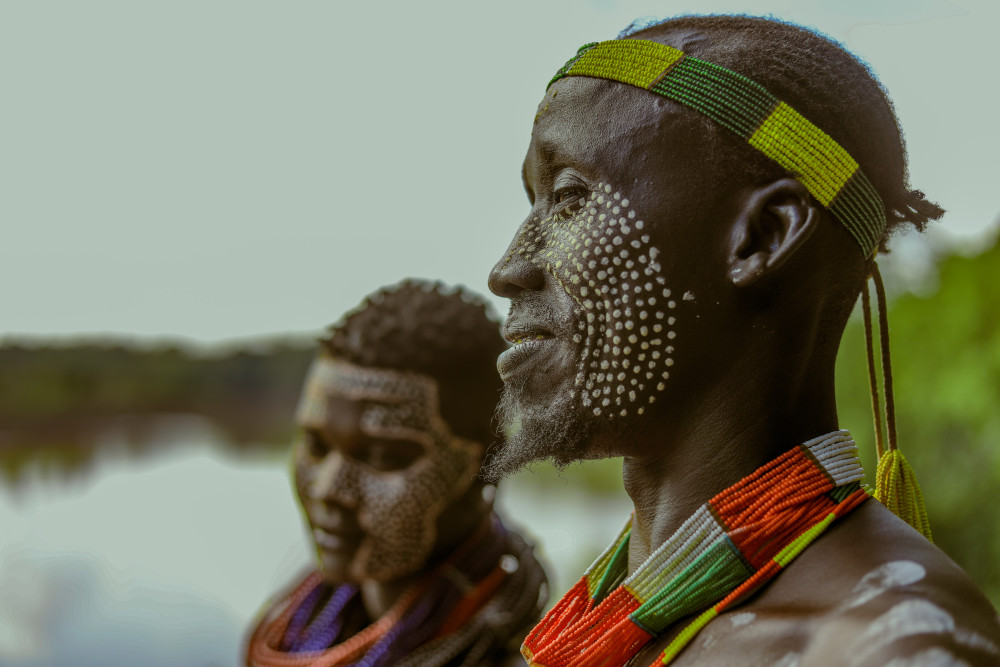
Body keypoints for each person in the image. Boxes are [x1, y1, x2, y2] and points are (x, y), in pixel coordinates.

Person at [484, 15, 1000, 667]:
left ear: (762, 236)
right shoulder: (619, 618)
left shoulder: (888, 646)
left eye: (568, 199)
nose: (508, 268)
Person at [245, 280, 547, 667]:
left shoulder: (523, 657)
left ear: (489, 463)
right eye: (317, 446)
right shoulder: (299, 629)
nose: (328, 489)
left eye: (385, 457)